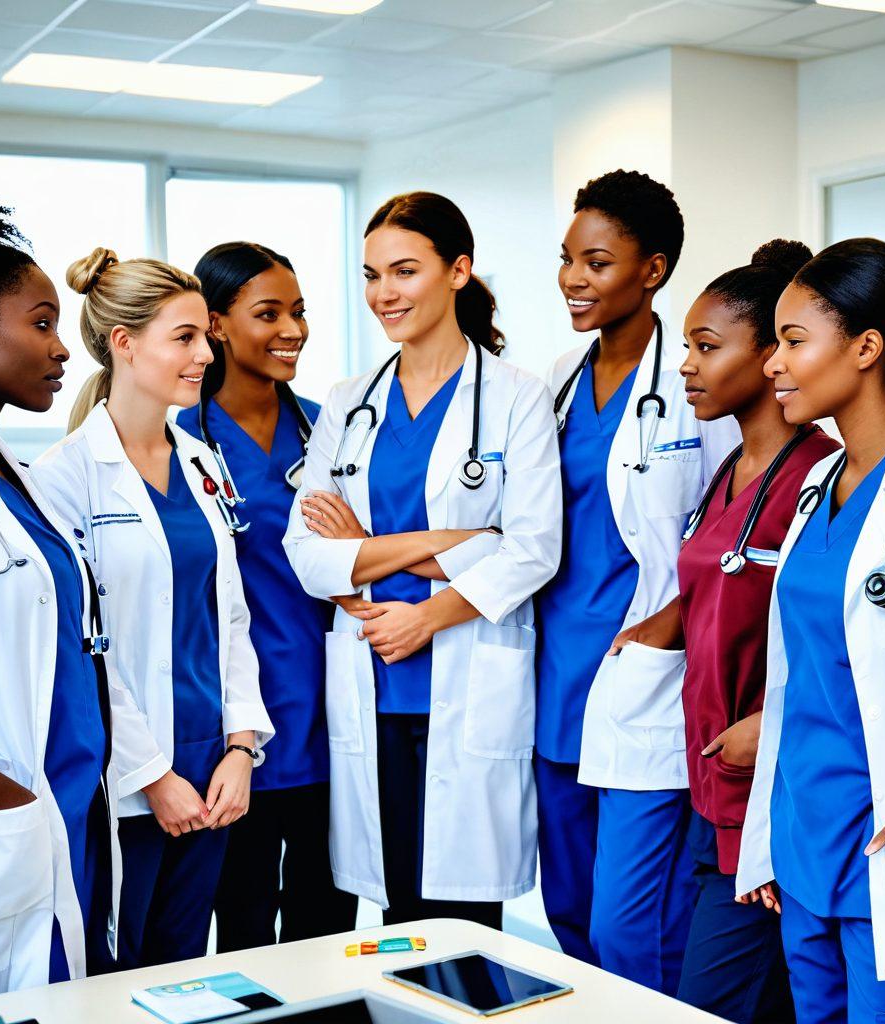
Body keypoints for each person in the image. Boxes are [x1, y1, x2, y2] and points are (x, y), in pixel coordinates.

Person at [284, 191, 561, 926]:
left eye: (404, 271)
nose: (384, 294)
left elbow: (533, 549)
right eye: (372, 275)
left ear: (458, 271)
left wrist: (420, 612)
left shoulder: (515, 398)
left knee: (463, 928)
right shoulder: (349, 403)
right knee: (399, 922)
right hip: (370, 681)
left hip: (464, 672)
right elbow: (307, 553)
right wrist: (455, 544)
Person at [737, 238, 885, 1023]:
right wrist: (773, 836)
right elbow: (799, 678)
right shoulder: (813, 486)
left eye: (794, 342)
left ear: (867, 348)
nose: (773, 364)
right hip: (807, 851)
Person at [34, 248, 273, 969]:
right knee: (118, 976)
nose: (205, 353)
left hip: (212, 771)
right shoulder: (64, 477)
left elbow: (229, 615)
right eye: (185, 338)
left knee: (186, 972)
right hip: (131, 785)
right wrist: (151, 777)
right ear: (124, 343)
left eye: (205, 335)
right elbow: (84, 648)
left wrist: (240, 747)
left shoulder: (202, 461)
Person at [537, 169, 737, 992]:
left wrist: (674, 621)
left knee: (634, 925)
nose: (575, 281)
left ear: (651, 270)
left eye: (598, 262)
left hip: (648, 680)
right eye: (567, 260)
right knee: (570, 911)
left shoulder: (700, 390)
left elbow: (737, 533)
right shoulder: (553, 381)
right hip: (554, 681)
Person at [0, 183, 120, 998]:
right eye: (42, 324)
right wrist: (4, 807)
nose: (63, 351)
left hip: (70, 816)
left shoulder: (17, 477)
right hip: (1, 830)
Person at [674, 239, 838, 1022]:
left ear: (772, 355)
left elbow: (837, 643)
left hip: (774, 794)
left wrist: (770, 726)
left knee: (715, 1003)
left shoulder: (821, 474)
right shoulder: (727, 469)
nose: (688, 366)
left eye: (707, 348)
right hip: (713, 794)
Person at [177, 241, 356, 949]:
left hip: (332, 708)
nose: (293, 330)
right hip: (236, 729)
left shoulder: (333, 428)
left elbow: (368, 555)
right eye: (269, 313)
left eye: (300, 312)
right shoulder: (179, 437)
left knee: (329, 926)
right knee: (243, 923)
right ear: (216, 323)